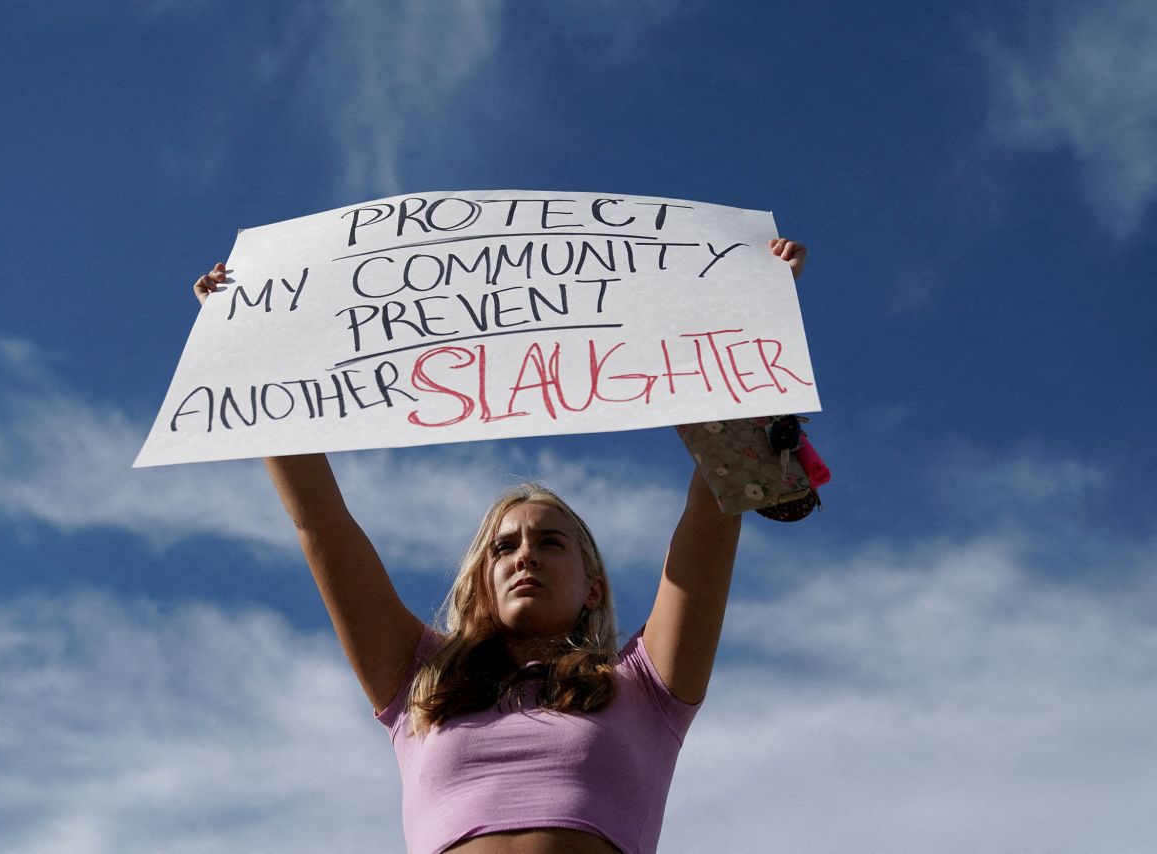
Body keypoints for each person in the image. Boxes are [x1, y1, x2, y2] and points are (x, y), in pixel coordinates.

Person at [193, 238, 808, 854]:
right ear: (478, 581)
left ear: (593, 585)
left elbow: (710, 518)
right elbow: (323, 527)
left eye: (550, 542)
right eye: (502, 547)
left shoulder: (647, 686)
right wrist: (246, 342)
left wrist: (756, 305)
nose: (524, 556)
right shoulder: (419, 682)